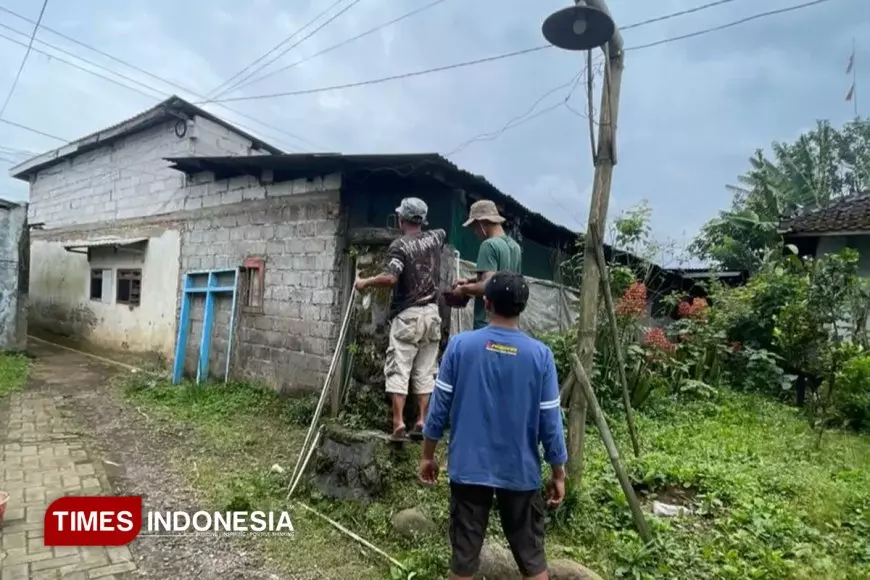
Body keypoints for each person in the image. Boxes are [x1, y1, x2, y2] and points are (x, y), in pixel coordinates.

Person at [420, 271, 568, 580]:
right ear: (522, 307)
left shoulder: (460, 347)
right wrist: (558, 473)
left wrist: (428, 454)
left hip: (468, 468)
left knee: (464, 560)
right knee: (533, 561)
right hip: (520, 471)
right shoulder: (541, 356)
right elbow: (550, 422)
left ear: (486, 303)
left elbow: (438, 409)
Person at [355, 197, 446, 441]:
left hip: (408, 315)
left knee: (399, 367)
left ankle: (398, 424)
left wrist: (366, 282)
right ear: (423, 220)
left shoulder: (400, 246)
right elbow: (443, 234)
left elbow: (391, 277)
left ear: (401, 219)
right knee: (426, 371)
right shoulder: (437, 237)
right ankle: (422, 421)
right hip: (432, 314)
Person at [453, 200, 522, 330]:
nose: (475, 232)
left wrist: (463, 290)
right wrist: (469, 280)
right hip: (510, 322)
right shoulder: (515, 247)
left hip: (488, 321)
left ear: (481, 223)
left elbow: (487, 286)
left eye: (474, 227)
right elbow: (502, 278)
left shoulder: (489, 245)